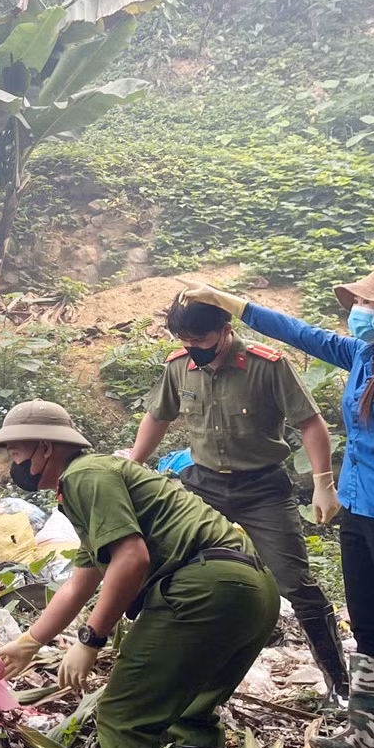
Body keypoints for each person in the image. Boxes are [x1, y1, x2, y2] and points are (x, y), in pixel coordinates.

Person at [0, 400, 279, 748]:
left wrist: (91, 640)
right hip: (251, 589)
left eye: (14, 450)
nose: (11, 462)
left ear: (44, 448)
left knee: (123, 717)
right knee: (193, 711)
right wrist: (31, 640)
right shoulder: (97, 480)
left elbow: (131, 559)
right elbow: (84, 578)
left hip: (201, 590)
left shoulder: (86, 476)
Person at [183, 265, 374, 748]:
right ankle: (363, 731)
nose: (357, 311)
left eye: (368, 305)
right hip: (357, 508)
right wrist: (226, 299)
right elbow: (297, 331)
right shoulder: (359, 355)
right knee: (369, 627)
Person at [117, 295, 349, 701]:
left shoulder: (267, 365)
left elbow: (310, 423)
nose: (194, 347)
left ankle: (339, 683)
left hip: (262, 489)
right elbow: (158, 415)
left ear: (226, 329)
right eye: (184, 339)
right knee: (161, 563)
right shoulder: (179, 366)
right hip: (203, 484)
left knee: (295, 583)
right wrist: (133, 462)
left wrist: (323, 481)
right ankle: (156, 662)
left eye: (201, 338)